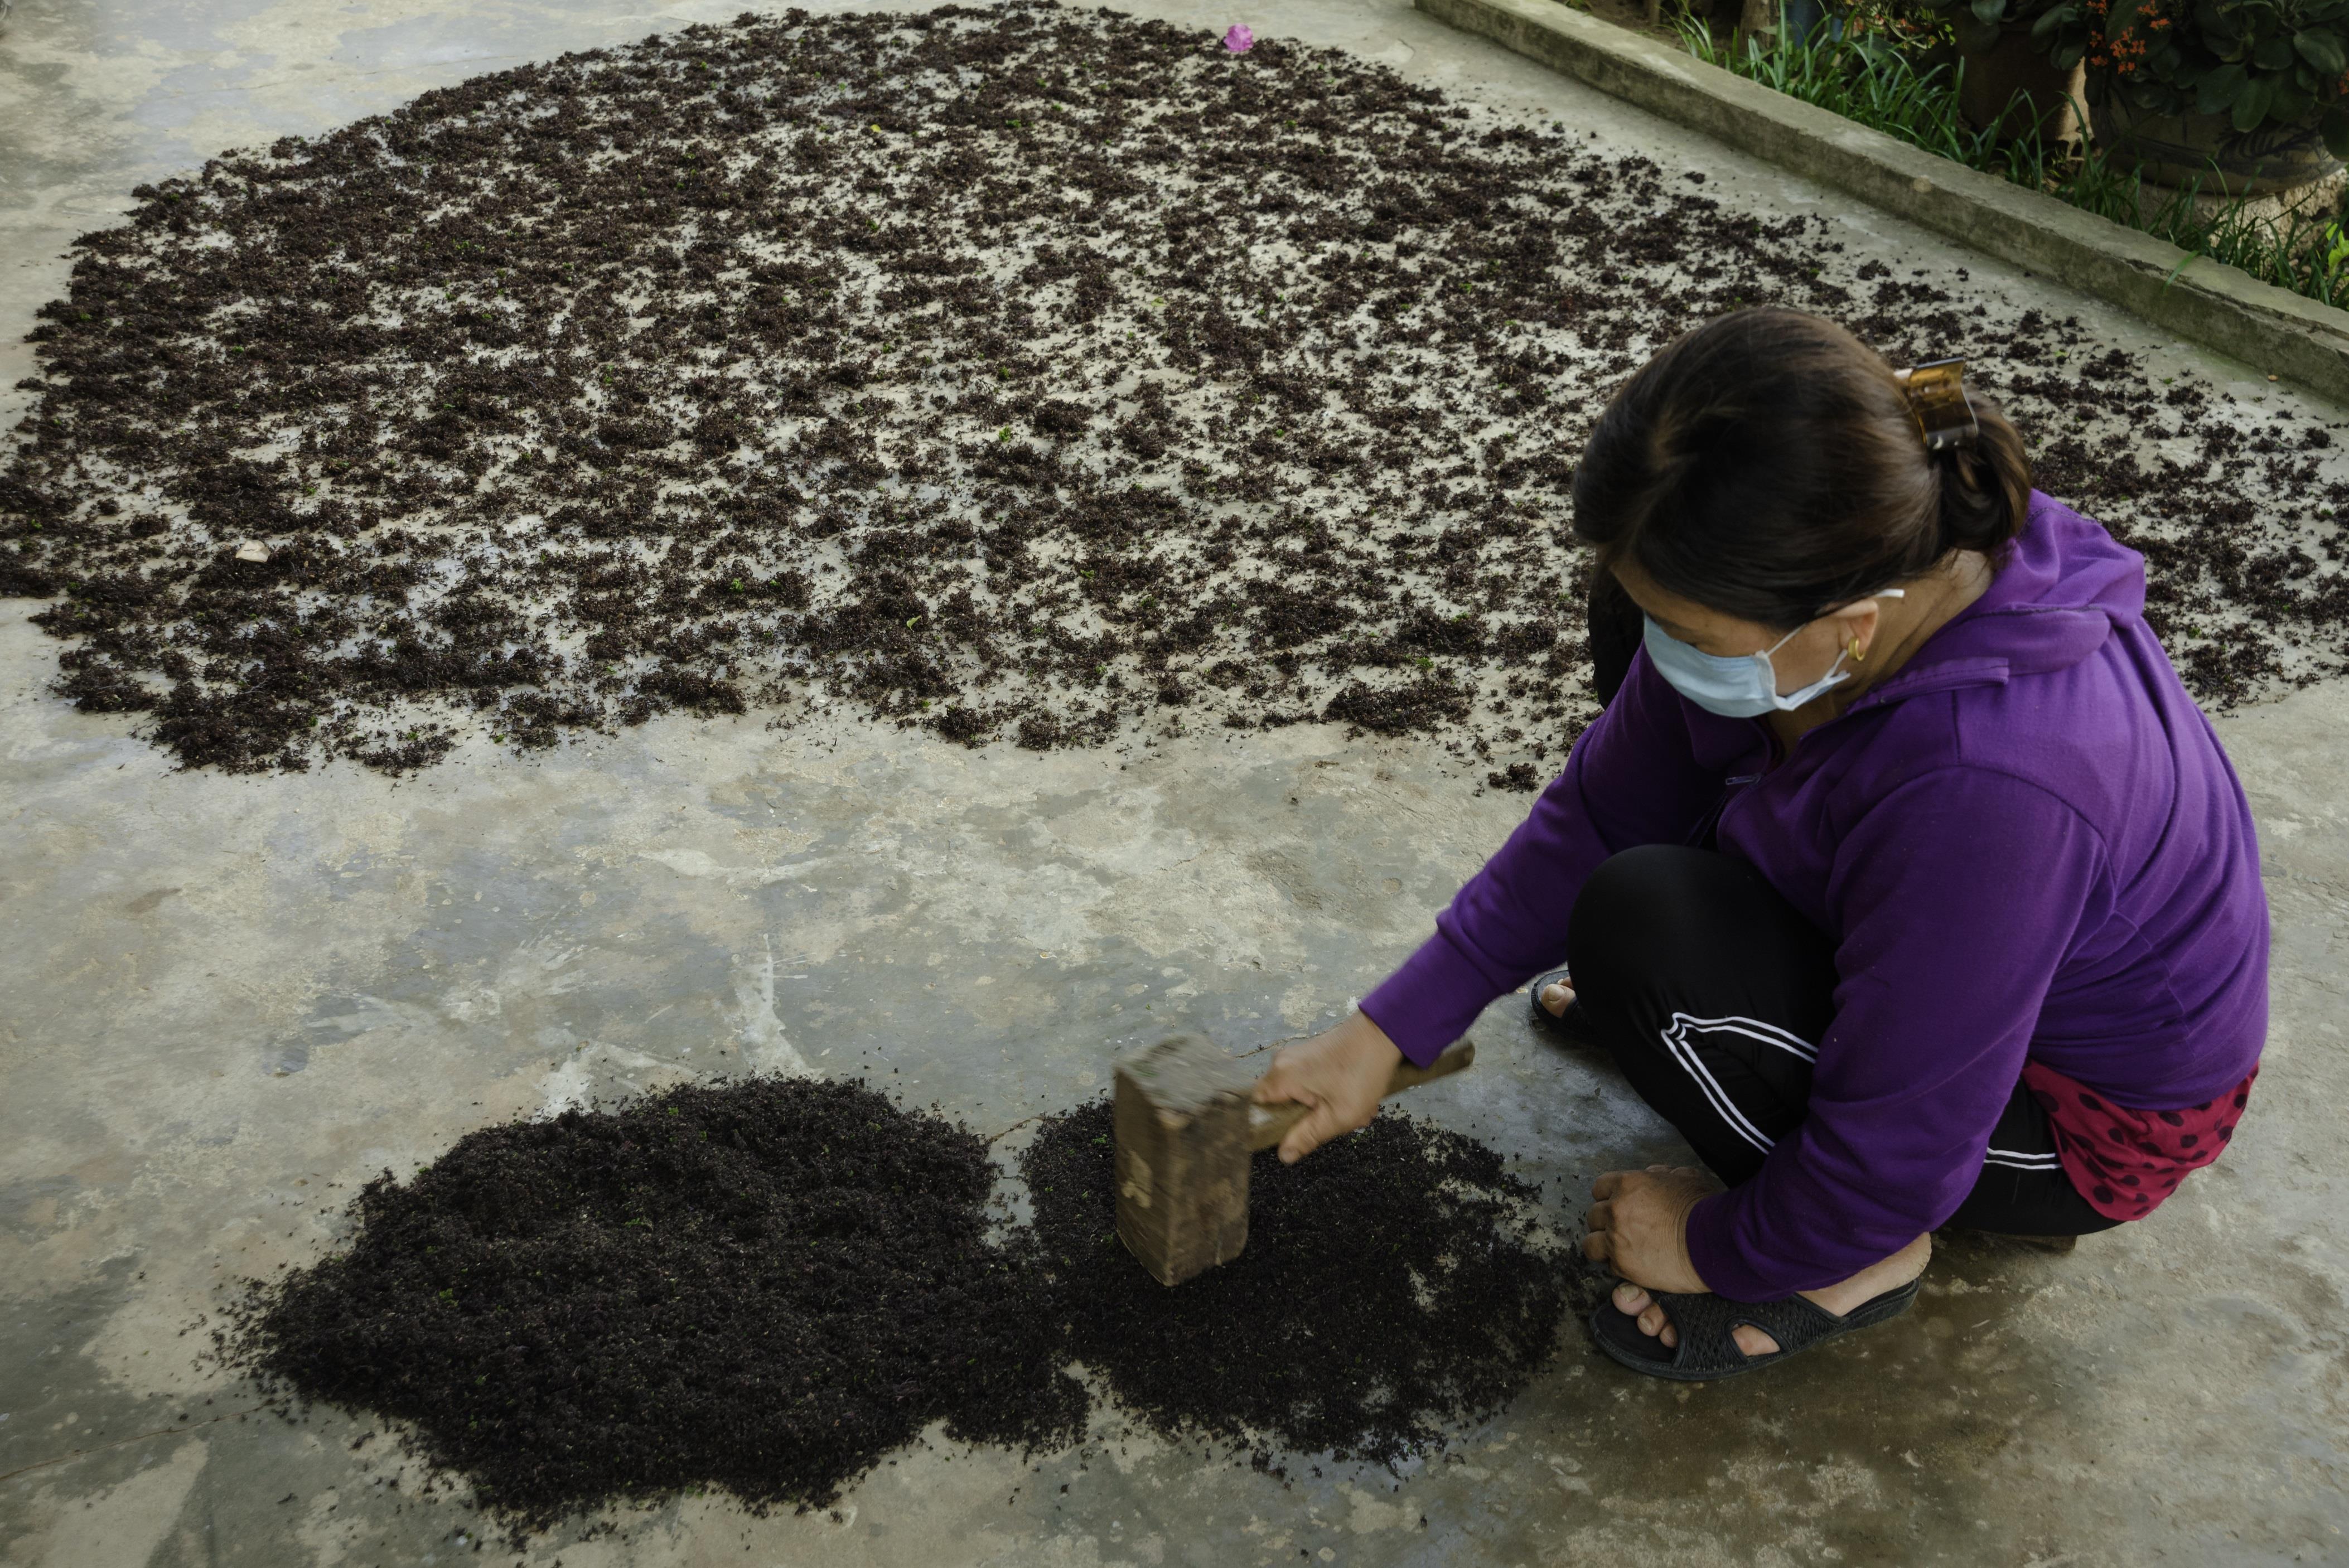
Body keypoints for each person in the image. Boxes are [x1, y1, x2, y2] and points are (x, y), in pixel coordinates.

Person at [1255, 308, 2268, 1381]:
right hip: (1947, 948)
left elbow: (1900, 1151)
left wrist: (1720, 1244)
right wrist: (1388, 1027)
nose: (1664, 652)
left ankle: (1855, 1265)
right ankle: (1741, 1024)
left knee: (1641, 928)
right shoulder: (1874, 551)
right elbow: (1608, 807)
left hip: (2071, 1115)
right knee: (1640, 815)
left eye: (1693, 637)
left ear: (1852, 626)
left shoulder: (1994, 789)